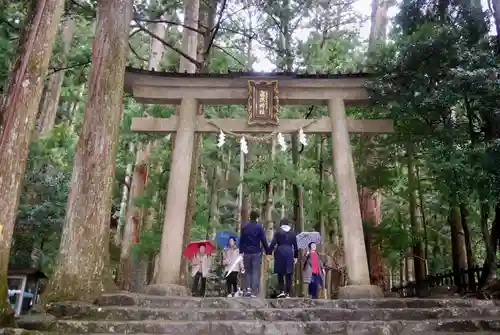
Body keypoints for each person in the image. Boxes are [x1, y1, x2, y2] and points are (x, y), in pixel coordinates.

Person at [239, 209, 269, 297]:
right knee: (255, 271)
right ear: (257, 218)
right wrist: (268, 251)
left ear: (250, 217)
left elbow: (241, 240)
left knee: (247, 271)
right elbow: (263, 240)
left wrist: (241, 252)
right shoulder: (259, 227)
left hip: (246, 253)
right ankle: (253, 291)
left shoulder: (245, 227)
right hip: (256, 252)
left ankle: (247, 288)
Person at [268, 218, 298, 298]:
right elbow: (295, 246)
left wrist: (269, 253)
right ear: (288, 224)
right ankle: (287, 293)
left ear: (281, 224)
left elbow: (273, 243)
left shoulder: (278, 232)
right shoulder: (292, 233)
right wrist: (296, 257)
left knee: (280, 273)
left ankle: (281, 291)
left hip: (280, 252)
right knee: (289, 274)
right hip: (289, 253)